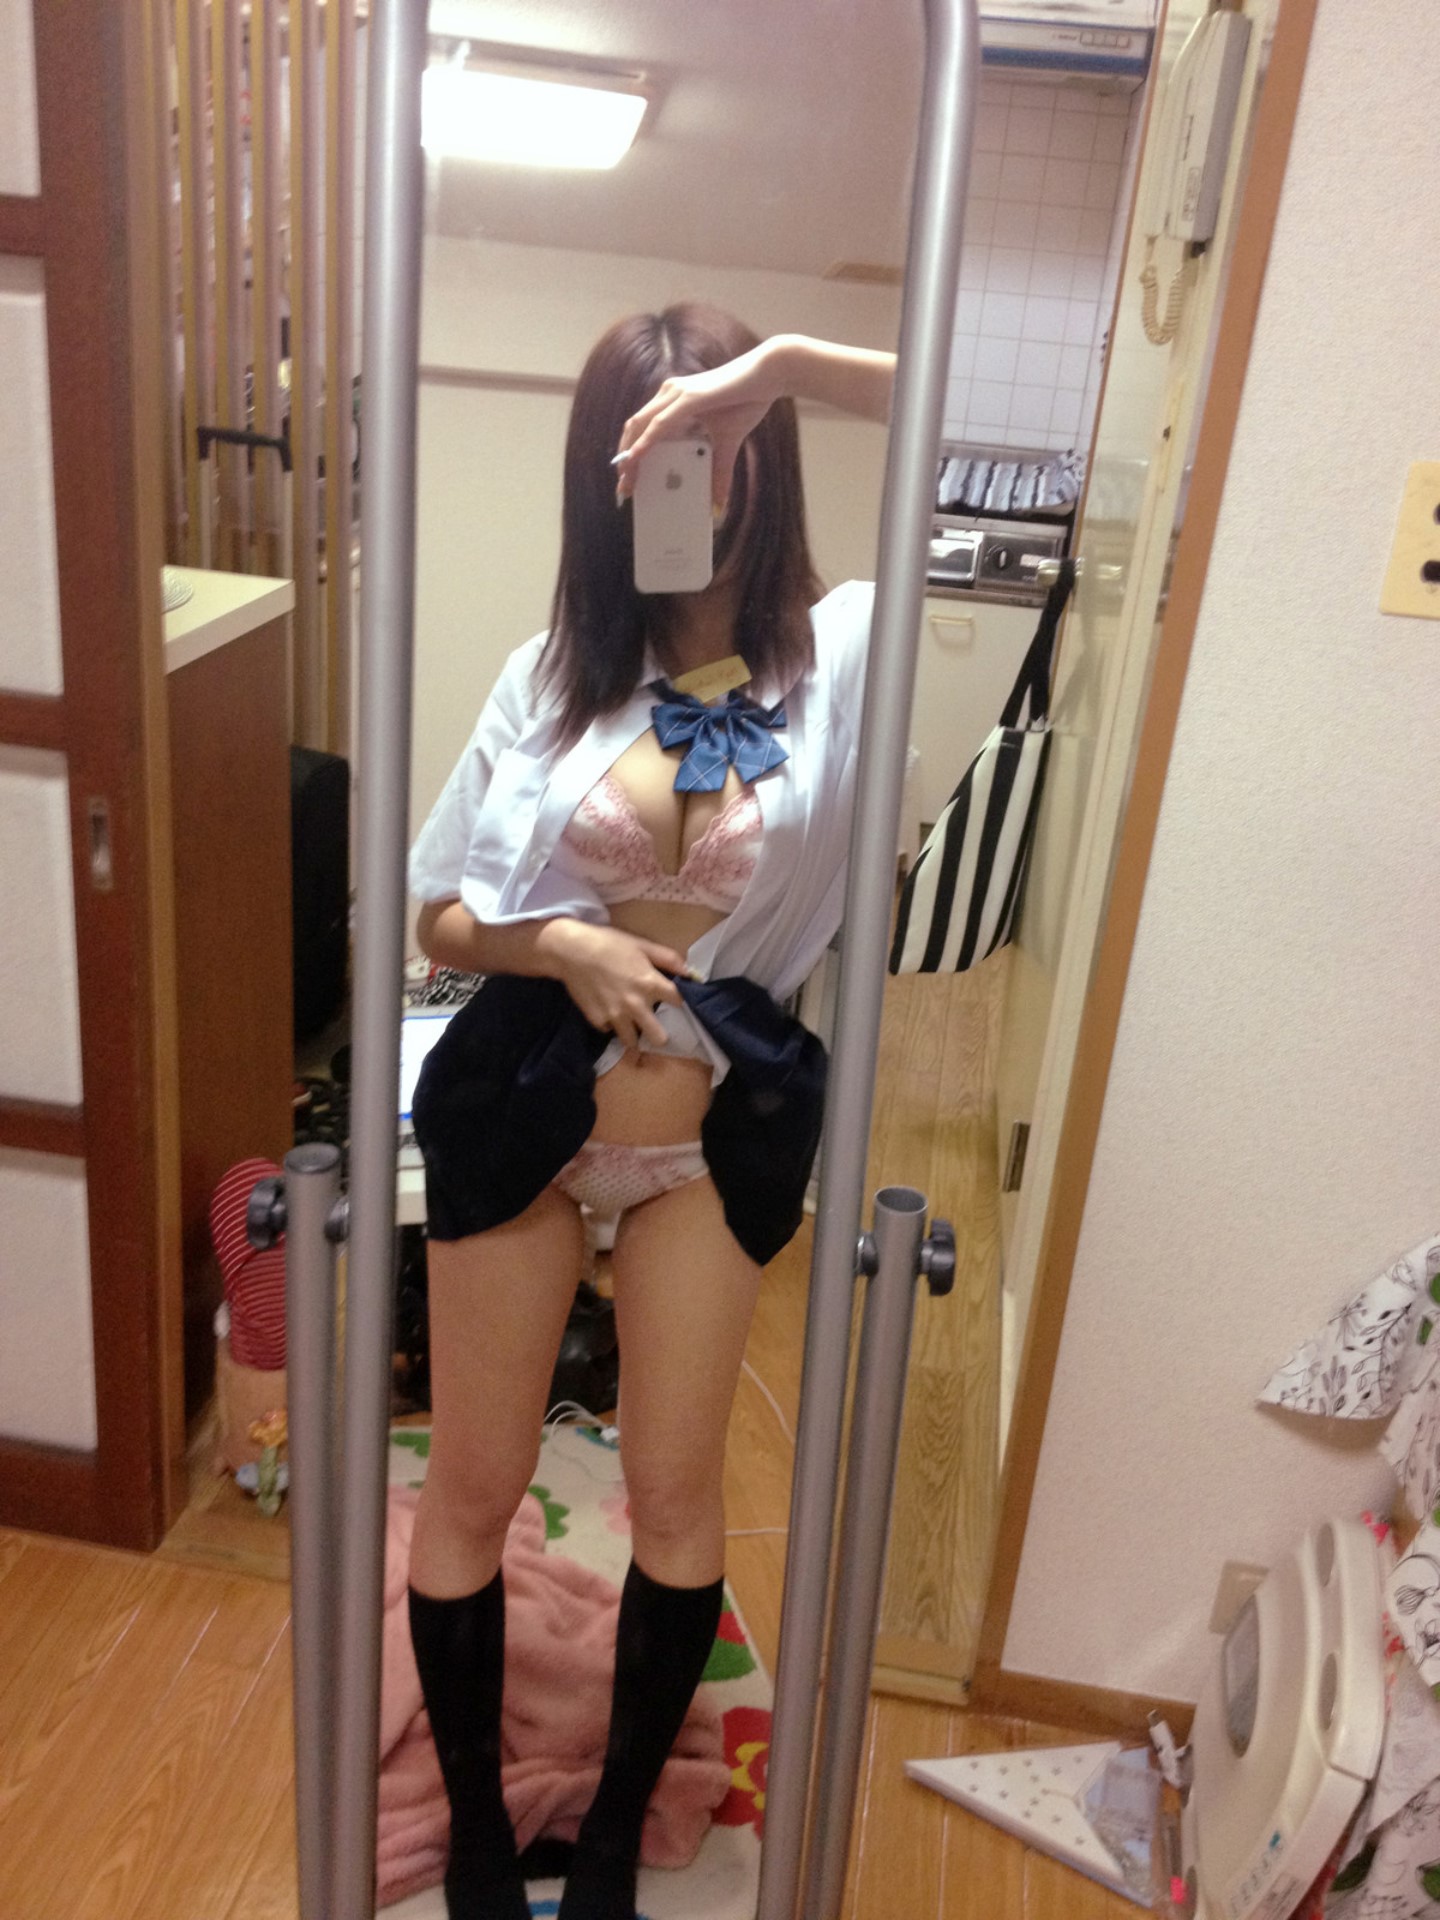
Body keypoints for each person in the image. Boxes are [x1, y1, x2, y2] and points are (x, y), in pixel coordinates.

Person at [404, 305, 896, 1920]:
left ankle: (612, 1832)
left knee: (679, 1494)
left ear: (767, 455)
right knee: (473, 1485)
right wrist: (563, 942)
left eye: (719, 444)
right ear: (601, 478)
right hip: (526, 1114)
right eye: (653, 449)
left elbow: (1035, 444)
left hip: (708, 1143)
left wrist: (784, 369)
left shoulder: (850, 656)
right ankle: (480, 1830)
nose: (693, 477)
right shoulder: (551, 677)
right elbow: (438, 913)